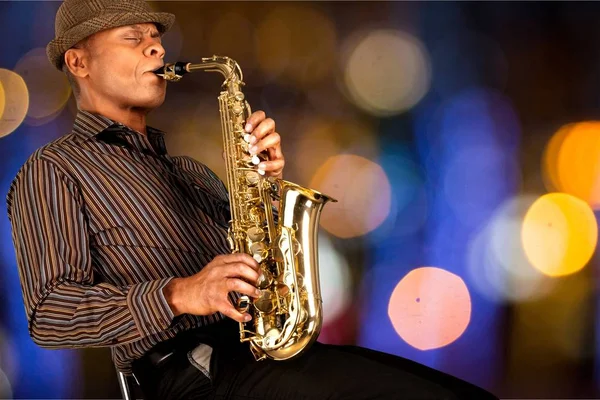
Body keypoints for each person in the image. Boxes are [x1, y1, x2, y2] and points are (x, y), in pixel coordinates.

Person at [6, 0, 499, 399]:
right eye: (134, 39)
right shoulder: (52, 170)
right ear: (78, 61)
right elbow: (51, 315)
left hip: (259, 360)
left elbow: (256, 269)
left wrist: (265, 185)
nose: (156, 49)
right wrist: (182, 293)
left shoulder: (190, 172)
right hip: (188, 378)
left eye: (155, 37)